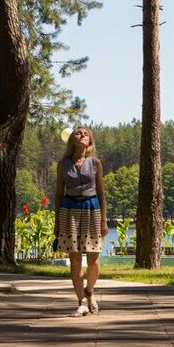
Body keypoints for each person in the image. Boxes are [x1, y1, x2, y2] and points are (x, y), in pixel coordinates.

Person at [54, 126, 108, 317]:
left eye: (86, 133)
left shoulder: (95, 163)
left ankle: (90, 291)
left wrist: (104, 220)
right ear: (72, 140)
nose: (82, 135)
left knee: (93, 258)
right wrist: (56, 222)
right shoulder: (63, 164)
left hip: (92, 209)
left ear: (90, 141)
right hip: (69, 210)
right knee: (75, 258)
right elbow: (59, 193)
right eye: (78, 133)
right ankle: (81, 301)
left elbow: (101, 193)